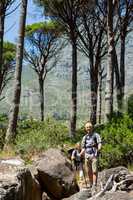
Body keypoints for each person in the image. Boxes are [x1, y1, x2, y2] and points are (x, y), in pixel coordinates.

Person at [80, 121, 102, 191]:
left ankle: (94, 184)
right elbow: (83, 148)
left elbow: (99, 143)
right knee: (88, 171)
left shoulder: (96, 135)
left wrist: (99, 148)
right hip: (87, 156)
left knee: (94, 171)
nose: (88, 128)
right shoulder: (84, 137)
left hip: (94, 155)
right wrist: (80, 154)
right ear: (85, 128)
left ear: (92, 128)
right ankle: (91, 184)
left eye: (89, 127)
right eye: (87, 127)